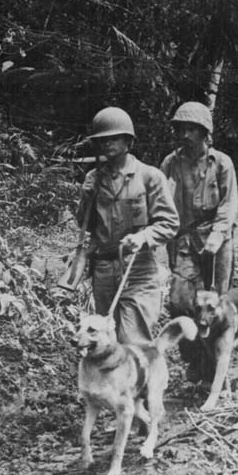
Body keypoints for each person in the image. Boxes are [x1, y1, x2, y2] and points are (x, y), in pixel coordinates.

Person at [77, 107, 179, 345]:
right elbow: (85, 225)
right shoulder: (94, 179)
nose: (107, 144)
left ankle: (143, 382)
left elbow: (169, 223)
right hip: (103, 268)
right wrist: (86, 196)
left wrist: (143, 236)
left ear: (128, 141)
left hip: (139, 268)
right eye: (102, 140)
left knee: (133, 339)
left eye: (113, 138)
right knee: (106, 341)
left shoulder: (149, 176)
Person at [160, 101, 238, 377]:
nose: (186, 134)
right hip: (184, 240)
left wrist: (217, 236)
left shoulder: (222, 163)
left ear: (205, 133)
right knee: (181, 301)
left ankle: (216, 362)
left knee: (216, 301)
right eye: (182, 128)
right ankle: (194, 358)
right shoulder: (171, 163)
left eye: (193, 129)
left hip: (216, 240)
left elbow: (229, 205)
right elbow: (162, 202)